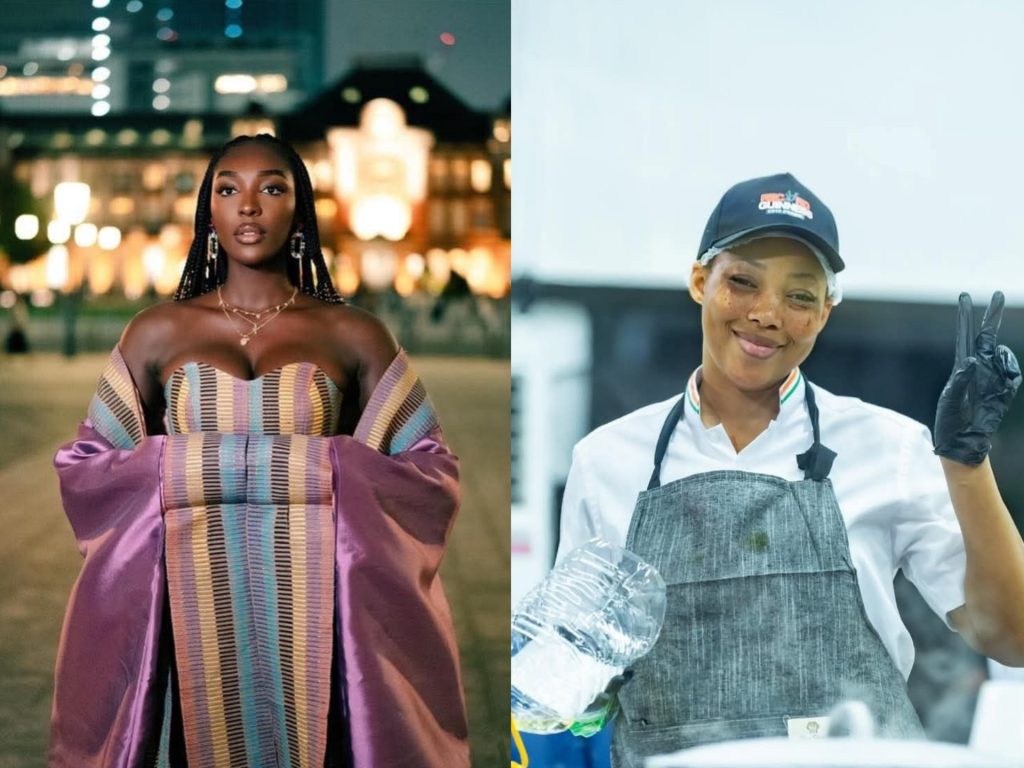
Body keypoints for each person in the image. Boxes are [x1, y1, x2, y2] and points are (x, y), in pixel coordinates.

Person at [555, 173, 1024, 766]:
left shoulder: (891, 448)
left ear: (826, 312)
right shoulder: (605, 461)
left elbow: (1012, 637)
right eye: (742, 283)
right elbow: (575, 679)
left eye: (800, 296)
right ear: (701, 281)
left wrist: (967, 464)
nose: (767, 314)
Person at [49, 134, 469, 768]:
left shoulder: (352, 332)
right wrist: (240, 463)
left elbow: (429, 472)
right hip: (195, 614)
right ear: (208, 213)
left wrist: (289, 464)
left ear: (299, 213)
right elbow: (87, 470)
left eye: (271, 188)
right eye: (228, 190)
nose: (249, 206)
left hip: (317, 612)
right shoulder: (157, 330)